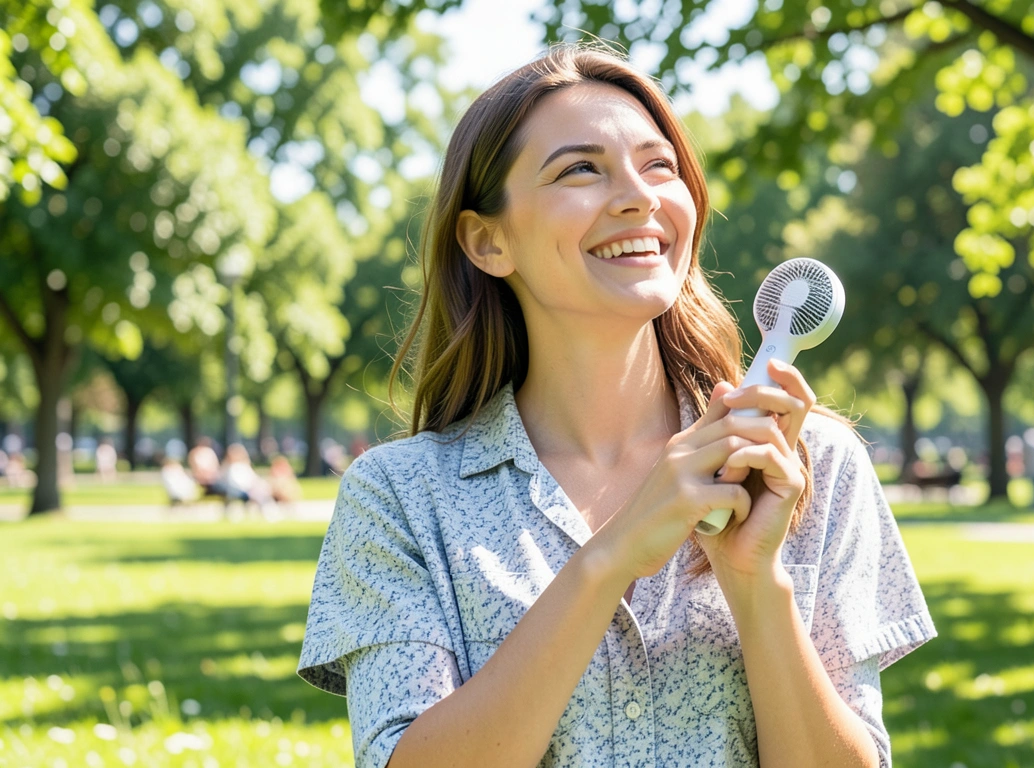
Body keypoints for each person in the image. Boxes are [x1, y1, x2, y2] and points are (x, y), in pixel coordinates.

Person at [296, 45, 935, 768]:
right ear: (487, 239)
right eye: (580, 169)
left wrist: (757, 584)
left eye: (658, 165)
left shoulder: (808, 466)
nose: (639, 196)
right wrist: (608, 559)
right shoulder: (398, 496)